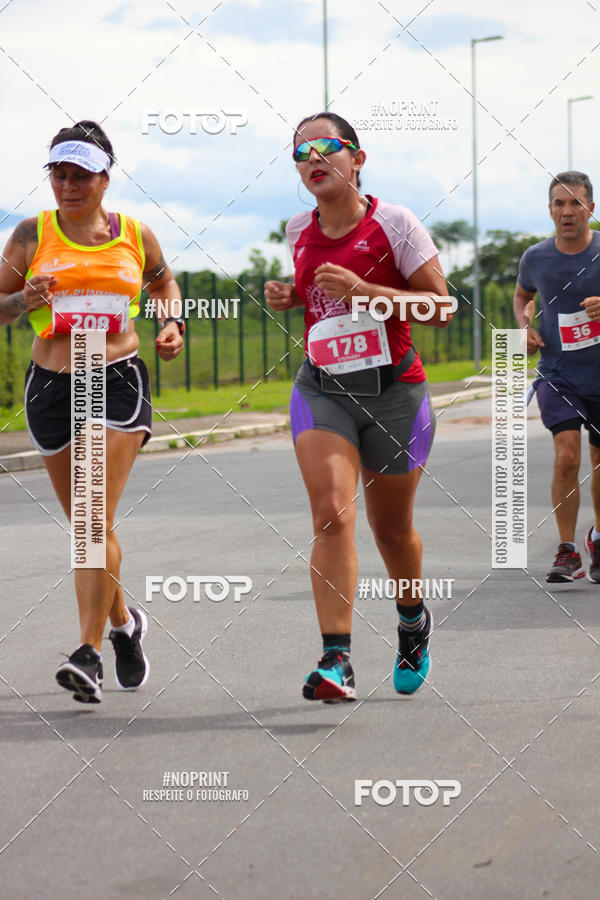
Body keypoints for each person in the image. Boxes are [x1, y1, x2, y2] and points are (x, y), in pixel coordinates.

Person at [265, 112, 453, 702]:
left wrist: (371, 293)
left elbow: (441, 308)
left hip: (395, 392)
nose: (312, 158)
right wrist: (291, 294)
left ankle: (411, 617)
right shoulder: (298, 228)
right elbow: (316, 293)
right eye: (300, 152)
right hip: (323, 388)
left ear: (357, 158)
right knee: (331, 513)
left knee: (391, 531)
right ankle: (335, 659)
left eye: (326, 146)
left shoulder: (396, 223)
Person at [0, 121, 185, 702]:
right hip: (52, 387)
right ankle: (125, 625)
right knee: (90, 526)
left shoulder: (135, 233)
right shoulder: (31, 234)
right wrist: (22, 299)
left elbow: (163, 283)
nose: (69, 184)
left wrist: (172, 321)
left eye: (81, 174)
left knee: (87, 520)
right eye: (60, 173)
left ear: (106, 177)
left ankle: (89, 653)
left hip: (115, 379)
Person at [514, 170, 600, 584]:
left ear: (591, 209)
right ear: (550, 210)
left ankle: (598, 539)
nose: (567, 212)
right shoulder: (535, 257)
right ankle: (567, 551)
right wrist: (524, 326)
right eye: (559, 204)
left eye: (576, 203)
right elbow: (522, 296)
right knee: (567, 455)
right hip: (557, 374)